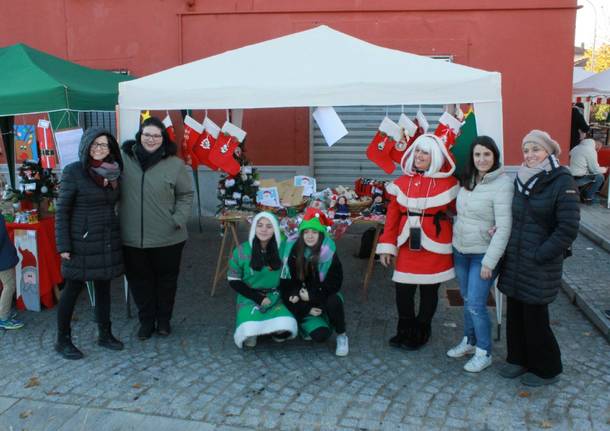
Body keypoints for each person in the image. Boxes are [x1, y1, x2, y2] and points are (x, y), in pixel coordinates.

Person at [498, 130, 579, 387]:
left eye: (536, 149)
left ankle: (547, 368)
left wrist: (540, 254)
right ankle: (517, 359)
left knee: (535, 318)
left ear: (548, 151)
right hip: (516, 258)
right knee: (516, 314)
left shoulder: (561, 181)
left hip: (539, 262)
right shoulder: (520, 178)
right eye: (526, 150)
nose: (530, 155)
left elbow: (567, 228)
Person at [377, 134, 459, 350]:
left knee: (429, 291)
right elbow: (392, 218)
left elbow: (462, 211)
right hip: (406, 243)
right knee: (402, 290)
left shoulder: (450, 184)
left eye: (425, 152)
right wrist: (387, 246)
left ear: (435, 157)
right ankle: (404, 329)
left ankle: (422, 330)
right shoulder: (401, 183)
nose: (420, 156)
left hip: (435, 245)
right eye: (418, 151)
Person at [121, 117, 194, 340]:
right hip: (132, 237)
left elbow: (185, 194)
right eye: (147, 135)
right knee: (139, 282)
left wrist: (178, 218)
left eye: (156, 135)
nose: (151, 139)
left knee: (166, 282)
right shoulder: (124, 160)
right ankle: (146, 321)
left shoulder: (175, 164)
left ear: (163, 139)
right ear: (139, 136)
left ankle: (163, 321)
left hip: (168, 237)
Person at [54, 128, 124, 359]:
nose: (99, 149)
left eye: (104, 145)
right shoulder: (74, 171)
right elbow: (62, 211)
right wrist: (63, 245)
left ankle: (105, 333)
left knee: (103, 286)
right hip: (80, 241)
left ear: (110, 148)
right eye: (95, 144)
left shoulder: (113, 172)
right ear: (85, 146)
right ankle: (62, 339)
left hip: (105, 239)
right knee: (72, 289)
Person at [448, 136, 513, 372]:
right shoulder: (468, 180)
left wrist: (490, 261)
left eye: (487, 154)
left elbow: (504, 227)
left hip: (483, 254)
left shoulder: (503, 184)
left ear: (494, 156)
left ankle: (484, 352)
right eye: (478, 154)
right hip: (461, 250)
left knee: (476, 303)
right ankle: (469, 340)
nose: (482, 159)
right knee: (466, 299)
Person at [279, 208, 349, 356]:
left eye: (314, 232)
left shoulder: (329, 252)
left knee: (334, 302)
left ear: (321, 234)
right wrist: (303, 303)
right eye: (306, 232)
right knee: (313, 334)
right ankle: (304, 321)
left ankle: (342, 335)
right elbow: (287, 283)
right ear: (301, 234)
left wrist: (312, 296)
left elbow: (334, 284)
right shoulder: (294, 250)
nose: (310, 236)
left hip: (321, 295)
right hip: (301, 299)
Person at [228, 212, 298, 348]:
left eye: (269, 226)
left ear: (275, 230)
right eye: (259, 225)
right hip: (250, 296)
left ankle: (271, 329)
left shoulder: (283, 249)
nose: (264, 230)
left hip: (275, 296)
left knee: (285, 330)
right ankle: (257, 330)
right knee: (249, 338)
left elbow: (292, 275)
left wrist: (293, 293)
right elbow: (233, 280)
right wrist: (258, 298)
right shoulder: (241, 250)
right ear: (254, 228)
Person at [0, 217, 24, 330]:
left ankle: (3, 313)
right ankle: (3, 318)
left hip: (4, 257)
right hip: (3, 259)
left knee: (8, 285)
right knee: (9, 285)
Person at [569, 138, 608, 204]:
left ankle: (584, 193)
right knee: (600, 177)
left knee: (594, 175)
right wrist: (605, 169)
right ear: (598, 144)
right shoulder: (591, 150)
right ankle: (588, 197)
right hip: (579, 178)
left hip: (571, 176)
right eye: (600, 147)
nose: (599, 149)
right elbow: (594, 169)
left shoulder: (576, 147)